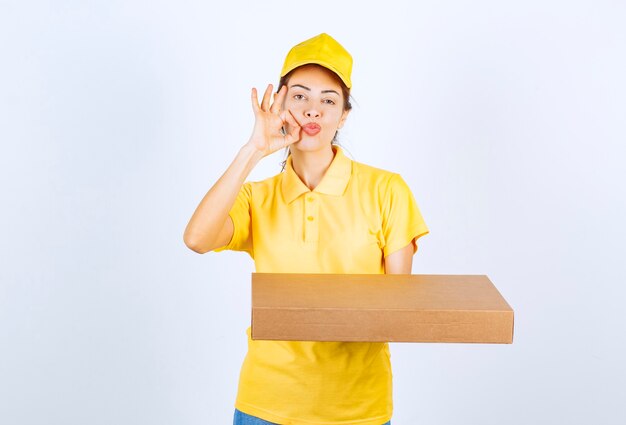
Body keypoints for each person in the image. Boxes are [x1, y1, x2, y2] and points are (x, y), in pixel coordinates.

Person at [183, 33, 429, 425]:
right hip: (266, 405)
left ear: (344, 114)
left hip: (357, 409)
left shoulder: (387, 190)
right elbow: (196, 239)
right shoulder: (257, 198)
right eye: (300, 97)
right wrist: (254, 150)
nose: (313, 111)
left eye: (328, 100)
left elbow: (396, 312)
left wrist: (324, 316)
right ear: (280, 102)